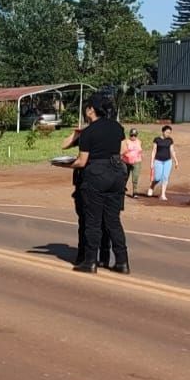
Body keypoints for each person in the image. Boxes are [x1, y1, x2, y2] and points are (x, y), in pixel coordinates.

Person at [68, 95, 129, 274]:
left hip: (96, 175)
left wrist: (65, 164)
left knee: (93, 221)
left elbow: (82, 161)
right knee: (113, 221)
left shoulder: (88, 132)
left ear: (91, 110)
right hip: (117, 174)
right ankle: (122, 262)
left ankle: (90, 261)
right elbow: (124, 150)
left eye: (86, 108)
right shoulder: (117, 126)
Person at [147, 125, 178, 201]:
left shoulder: (170, 140)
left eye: (169, 132)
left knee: (165, 177)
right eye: (167, 132)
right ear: (163, 131)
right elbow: (154, 151)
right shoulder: (157, 139)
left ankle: (163, 194)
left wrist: (176, 160)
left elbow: (172, 151)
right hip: (158, 161)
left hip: (168, 161)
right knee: (157, 177)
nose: (168, 134)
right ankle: (152, 186)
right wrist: (152, 162)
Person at [121, 128, 143, 198]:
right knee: (125, 177)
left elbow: (140, 151)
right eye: (132, 135)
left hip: (137, 162)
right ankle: (122, 191)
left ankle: (135, 192)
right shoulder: (126, 142)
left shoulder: (139, 142)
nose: (133, 137)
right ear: (129, 135)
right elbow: (122, 151)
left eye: (135, 135)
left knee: (135, 177)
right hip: (126, 162)